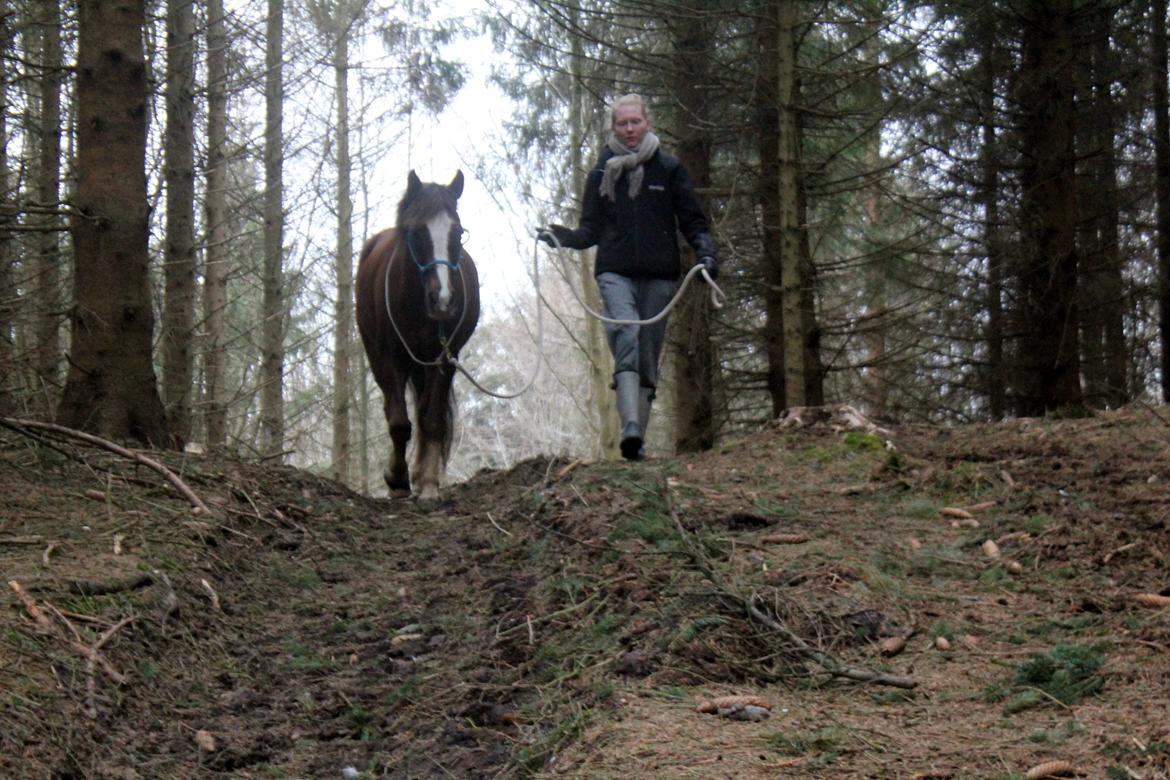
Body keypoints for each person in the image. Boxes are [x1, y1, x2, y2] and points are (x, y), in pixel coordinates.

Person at [539, 93, 718, 461]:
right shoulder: (601, 173)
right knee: (627, 334)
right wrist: (564, 237)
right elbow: (589, 229)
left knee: (648, 356)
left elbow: (692, 220)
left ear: (647, 123)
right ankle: (630, 427)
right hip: (614, 271)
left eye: (635, 122)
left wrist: (706, 252)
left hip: (660, 276)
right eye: (623, 123)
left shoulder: (668, 170)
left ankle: (636, 443)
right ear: (614, 128)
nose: (630, 129)